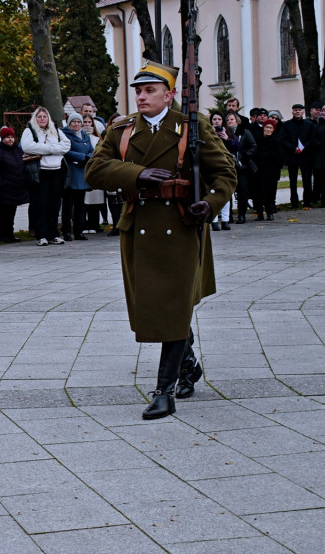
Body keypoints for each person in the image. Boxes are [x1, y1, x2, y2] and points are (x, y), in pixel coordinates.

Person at [84, 60, 236, 420]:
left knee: (174, 305)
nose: (141, 96)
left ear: (169, 95)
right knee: (153, 310)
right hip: (138, 228)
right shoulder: (122, 129)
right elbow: (94, 169)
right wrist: (137, 174)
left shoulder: (191, 127)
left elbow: (226, 171)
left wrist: (211, 203)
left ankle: (163, 391)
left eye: (150, 90)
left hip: (181, 227)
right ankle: (189, 365)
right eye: (138, 90)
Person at [21, 106, 71, 246]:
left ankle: (53, 234)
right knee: (40, 204)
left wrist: (48, 150)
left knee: (54, 205)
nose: (42, 119)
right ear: (35, 118)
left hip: (56, 171)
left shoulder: (56, 130)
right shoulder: (29, 130)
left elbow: (66, 145)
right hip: (40, 171)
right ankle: (41, 235)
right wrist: (52, 149)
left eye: (44, 116)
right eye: (39, 116)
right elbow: (27, 147)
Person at [0, 126, 29, 242]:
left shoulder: (18, 151)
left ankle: (10, 233)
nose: (10, 140)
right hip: (3, 188)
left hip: (15, 186)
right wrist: (0, 183)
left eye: (12, 137)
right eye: (7, 137)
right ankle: (2, 234)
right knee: (3, 212)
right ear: (2, 139)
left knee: (12, 212)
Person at [60, 112, 92, 240]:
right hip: (71, 174)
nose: (77, 124)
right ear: (69, 123)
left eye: (79, 122)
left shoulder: (85, 136)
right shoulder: (65, 135)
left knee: (80, 205)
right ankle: (66, 231)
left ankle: (79, 231)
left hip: (82, 173)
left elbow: (91, 149)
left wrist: (88, 157)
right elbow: (66, 151)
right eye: (74, 121)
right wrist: (82, 157)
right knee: (68, 205)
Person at [279, 104, 315, 208]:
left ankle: (307, 201)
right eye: (295, 110)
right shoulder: (287, 125)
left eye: (299, 110)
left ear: (303, 112)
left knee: (307, 179)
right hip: (292, 155)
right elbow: (283, 139)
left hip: (306, 155)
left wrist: (304, 147)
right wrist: (292, 148)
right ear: (292, 112)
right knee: (293, 180)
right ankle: (294, 202)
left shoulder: (309, 124)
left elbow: (312, 138)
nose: (297, 112)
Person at [209, 111, 238, 230]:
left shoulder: (228, 132)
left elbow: (237, 146)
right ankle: (214, 221)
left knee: (226, 193)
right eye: (214, 119)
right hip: (211, 166)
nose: (217, 121)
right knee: (213, 192)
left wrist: (227, 138)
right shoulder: (207, 132)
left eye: (219, 119)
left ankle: (225, 220)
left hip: (226, 165)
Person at [226, 112, 255, 223]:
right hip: (229, 166)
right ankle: (228, 216)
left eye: (231, 120)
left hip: (242, 166)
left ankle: (241, 214)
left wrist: (245, 155)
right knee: (228, 192)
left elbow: (253, 146)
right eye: (228, 120)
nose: (229, 122)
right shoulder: (225, 133)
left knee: (242, 191)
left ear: (237, 121)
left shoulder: (244, 132)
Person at [253, 120, 282, 220]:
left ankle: (269, 212)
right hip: (259, 171)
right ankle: (260, 213)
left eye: (270, 128)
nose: (268, 130)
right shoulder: (258, 139)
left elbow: (278, 156)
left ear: (274, 129)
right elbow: (255, 153)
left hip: (271, 171)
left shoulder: (276, 140)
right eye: (266, 127)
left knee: (270, 193)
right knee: (258, 192)